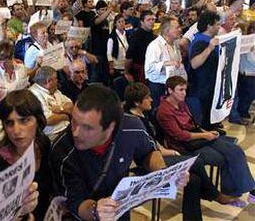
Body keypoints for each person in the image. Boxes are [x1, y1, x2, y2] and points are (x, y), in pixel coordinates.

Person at [50, 85, 189, 220]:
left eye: (87, 127)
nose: (75, 132)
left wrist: (165, 173)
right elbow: (75, 201)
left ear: (110, 127)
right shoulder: (62, 150)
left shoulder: (132, 128)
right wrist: (95, 211)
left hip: (119, 206)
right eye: (73, 121)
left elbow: (148, 152)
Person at [124, 83, 243, 219]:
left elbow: (156, 139)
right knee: (197, 161)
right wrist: (172, 152)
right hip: (149, 161)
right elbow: (149, 148)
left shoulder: (147, 114)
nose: (151, 99)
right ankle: (215, 195)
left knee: (194, 180)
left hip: (161, 152)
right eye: (147, 97)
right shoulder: (134, 122)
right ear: (136, 102)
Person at [157, 76, 255, 202]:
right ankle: (232, 192)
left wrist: (206, 132)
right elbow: (180, 135)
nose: (184, 93)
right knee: (221, 158)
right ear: (170, 91)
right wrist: (204, 135)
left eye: (185, 90)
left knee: (235, 150)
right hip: (185, 145)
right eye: (180, 90)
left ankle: (246, 190)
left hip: (198, 137)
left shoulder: (181, 103)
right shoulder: (164, 111)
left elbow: (193, 125)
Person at [0, 89, 52, 220]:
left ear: (38, 120)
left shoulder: (44, 145)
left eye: (24, 120)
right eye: (9, 123)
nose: (16, 130)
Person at [188, 11, 222, 130]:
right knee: (204, 114)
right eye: (217, 25)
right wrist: (210, 48)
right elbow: (194, 64)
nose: (219, 27)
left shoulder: (211, 39)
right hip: (201, 87)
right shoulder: (200, 41)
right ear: (209, 26)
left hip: (209, 85)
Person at [144, 16, 186, 108]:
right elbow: (149, 69)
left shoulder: (175, 44)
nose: (180, 30)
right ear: (167, 31)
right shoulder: (155, 46)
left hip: (172, 86)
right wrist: (166, 64)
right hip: (158, 86)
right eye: (177, 28)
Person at [29, 66, 73, 140]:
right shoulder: (34, 94)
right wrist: (66, 116)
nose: (57, 80)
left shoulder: (54, 89)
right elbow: (48, 120)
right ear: (48, 81)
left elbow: (71, 105)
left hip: (68, 128)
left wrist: (60, 109)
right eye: (56, 78)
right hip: (53, 136)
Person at [125, 10, 156, 83]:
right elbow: (129, 56)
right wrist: (127, 72)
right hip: (139, 70)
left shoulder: (152, 34)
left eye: (153, 19)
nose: (152, 22)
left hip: (150, 69)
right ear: (142, 22)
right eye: (148, 20)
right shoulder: (136, 36)